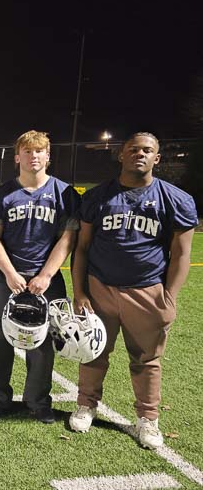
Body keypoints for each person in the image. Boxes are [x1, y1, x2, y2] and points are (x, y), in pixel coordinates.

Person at [68, 132, 197, 449]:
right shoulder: (98, 197)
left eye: (147, 150)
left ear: (157, 158)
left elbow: (181, 254)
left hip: (147, 290)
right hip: (100, 287)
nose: (140, 154)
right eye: (133, 149)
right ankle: (86, 404)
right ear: (121, 155)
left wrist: (170, 297)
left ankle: (148, 419)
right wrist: (80, 291)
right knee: (93, 351)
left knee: (147, 360)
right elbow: (82, 248)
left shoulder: (175, 199)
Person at [0, 130, 80, 424]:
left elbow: (67, 238)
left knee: (42, 342)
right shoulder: (2, 194)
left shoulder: (64, 193)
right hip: (6, 278)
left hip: (45, 280)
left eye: (39, 151)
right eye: (27, 151)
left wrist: (47, 275)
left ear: (48, 156)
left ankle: (38, 401)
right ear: (17, 157)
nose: (33, 156)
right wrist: (10, 273)